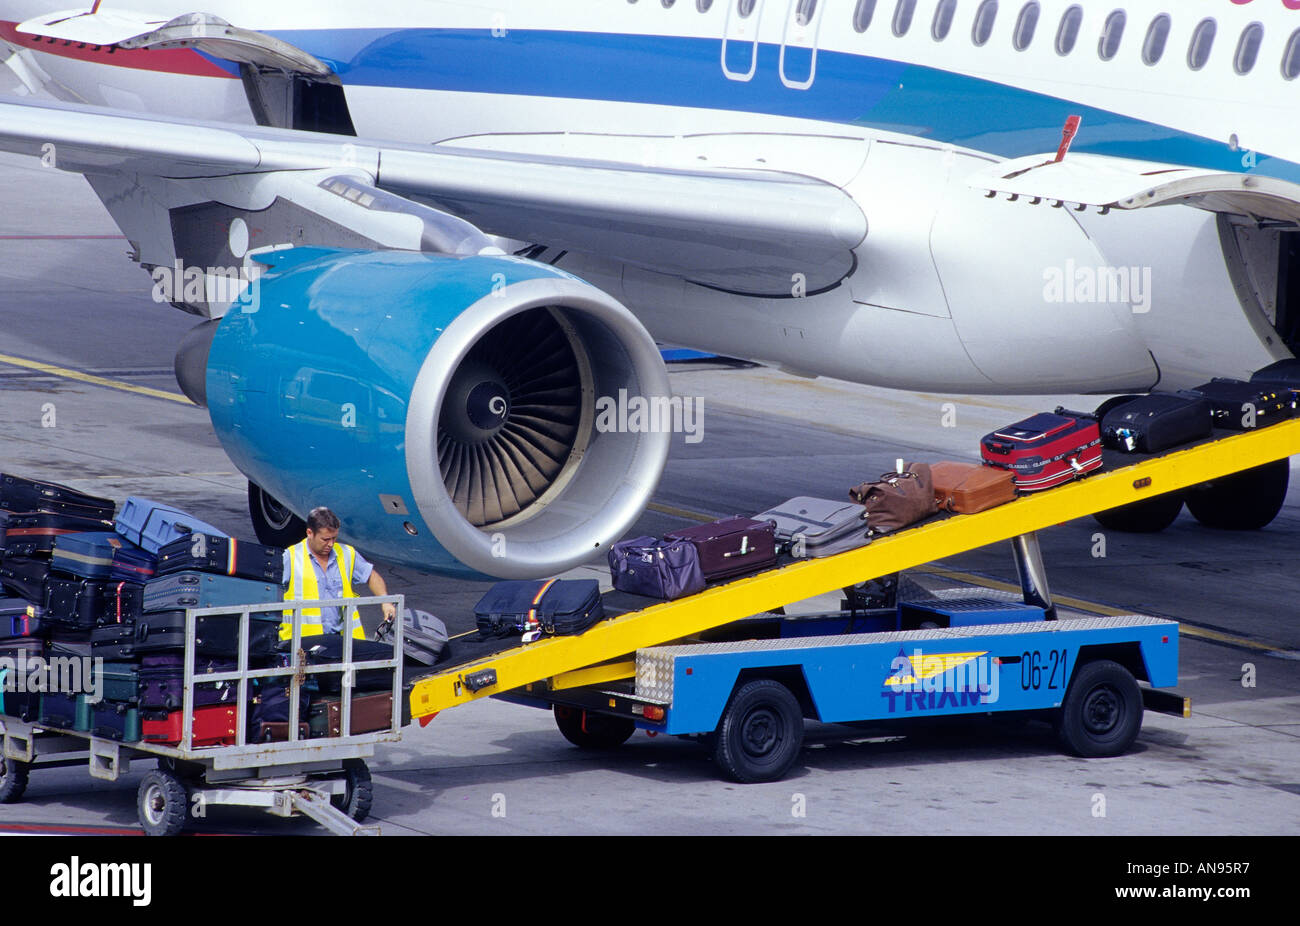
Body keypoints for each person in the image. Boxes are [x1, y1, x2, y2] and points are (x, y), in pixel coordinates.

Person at [280, 507, 397, 640]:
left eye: (334, 538)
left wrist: (385, 601)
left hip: (341, 641)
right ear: (309, 533)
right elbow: (269, 592)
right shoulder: (291, 557)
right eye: (325, 539)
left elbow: (371, 576)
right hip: (302, 643)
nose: (330, 544)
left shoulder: (347, 554)